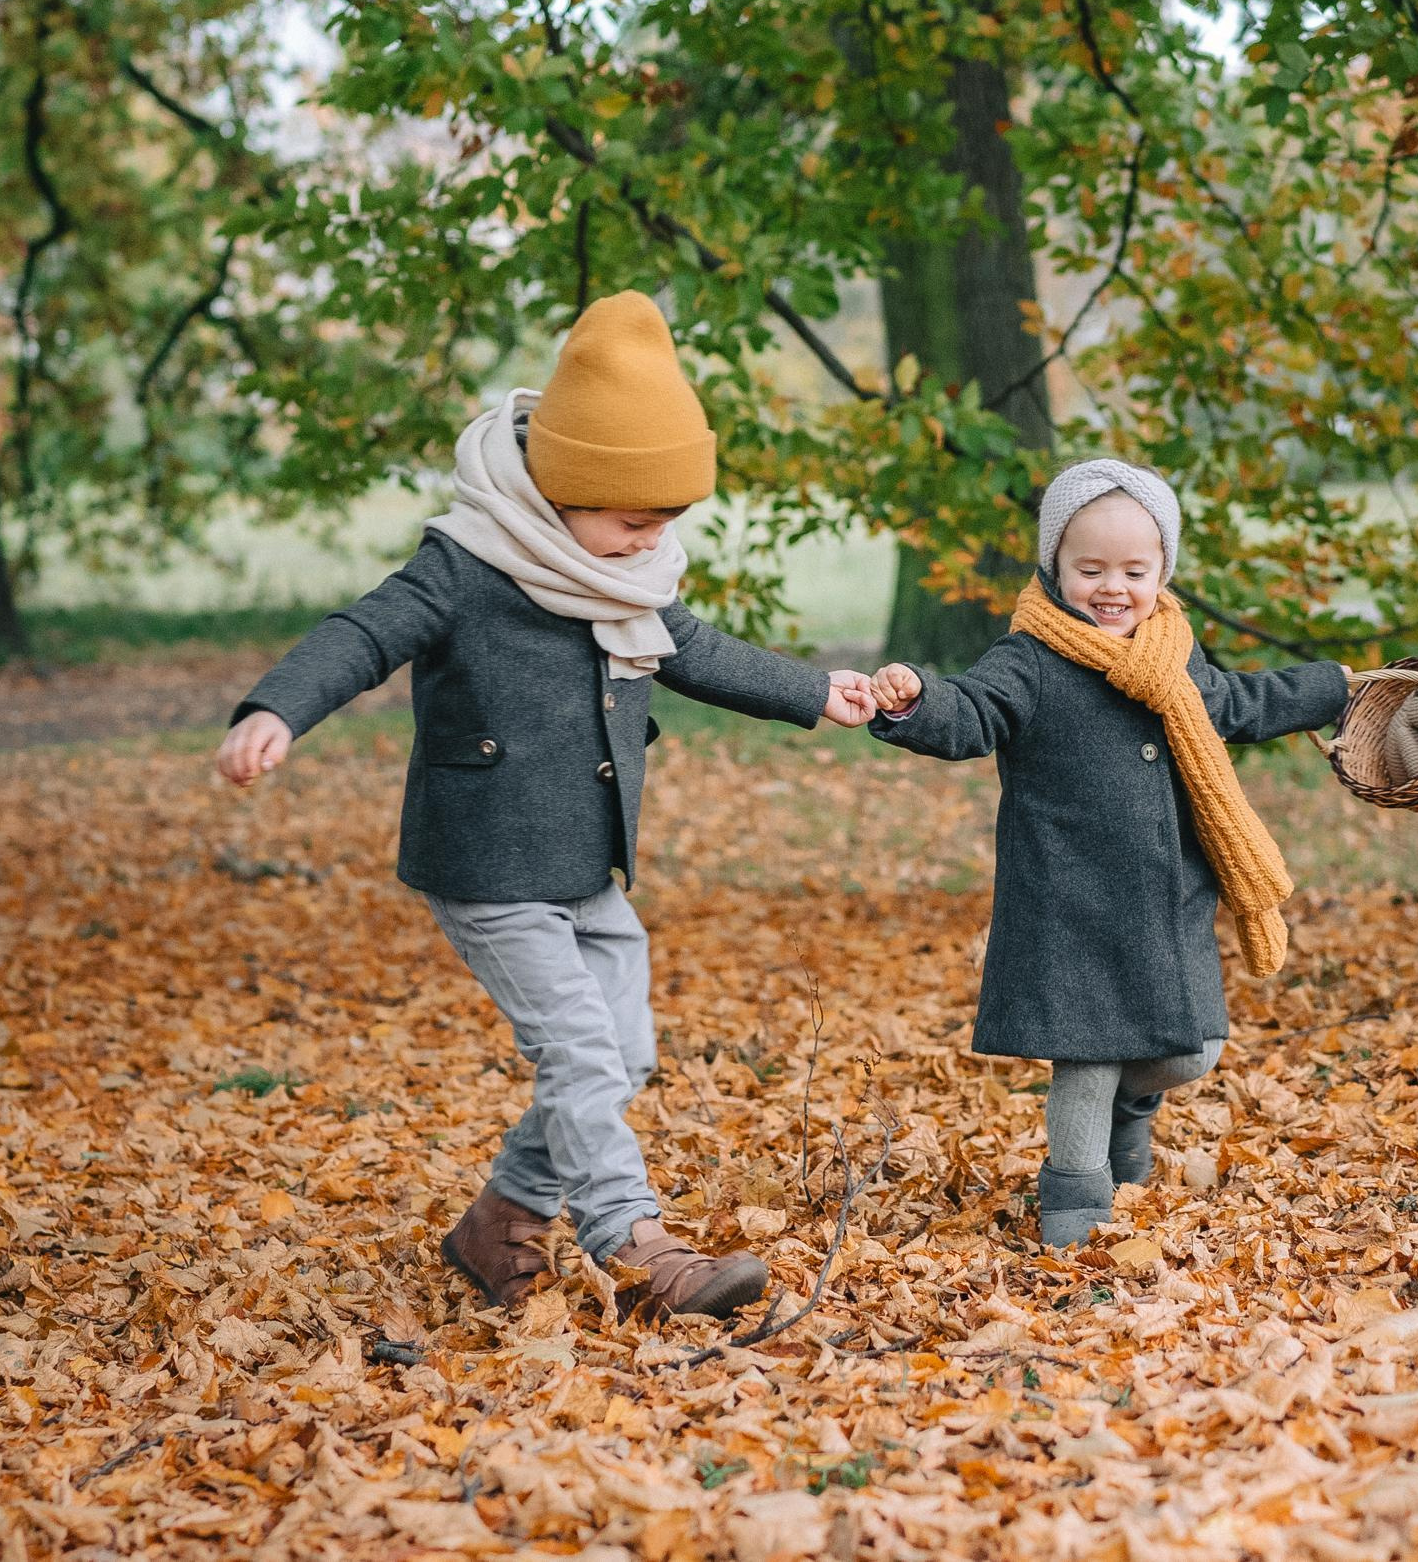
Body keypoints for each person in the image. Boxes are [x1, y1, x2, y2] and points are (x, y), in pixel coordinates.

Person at [216, 292, 875, 1316]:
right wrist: (277, 710)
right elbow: (361, 632)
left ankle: (499, 1224)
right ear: (561, 488)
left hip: (585, 862)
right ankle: (638, 1244)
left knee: (624, 1051)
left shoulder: (625, 572)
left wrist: (813, 690)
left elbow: (693, 649)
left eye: (665, 523)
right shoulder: (468, 563)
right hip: (488, 864)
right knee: (576, 1048)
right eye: (629, 521)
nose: (646, 541)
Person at [865, 460, 1348, 1246]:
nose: (1113, 587)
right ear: (1055, 566)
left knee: (1195, 1051)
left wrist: (1337, 687)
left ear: (1163, 570)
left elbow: (1237, 703)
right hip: (1070, 903)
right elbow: (971, 712)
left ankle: (1135, 1108)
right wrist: (917, 698)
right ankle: (1076, 1201)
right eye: (1091, 568)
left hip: (1169, 898)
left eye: (1135, 569)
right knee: (1086, 1060)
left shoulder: (1175, 655)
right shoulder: (1031, 660)